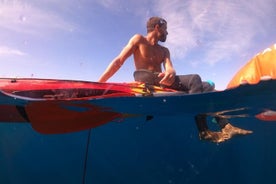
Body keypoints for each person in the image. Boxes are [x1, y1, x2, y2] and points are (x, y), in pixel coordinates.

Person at [98, 16, 252, 143]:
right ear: (158, 27)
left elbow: (169, 67)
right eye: (165, 29)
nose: (167, 33)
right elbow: (119, 61)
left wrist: (171, 71)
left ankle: (226, 126)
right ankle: (203, 130)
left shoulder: (164, 50)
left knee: (207, 87)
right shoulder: (139, 39)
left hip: (161, 80)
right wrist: (100, 83)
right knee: (195, 79)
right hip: (144, 77)